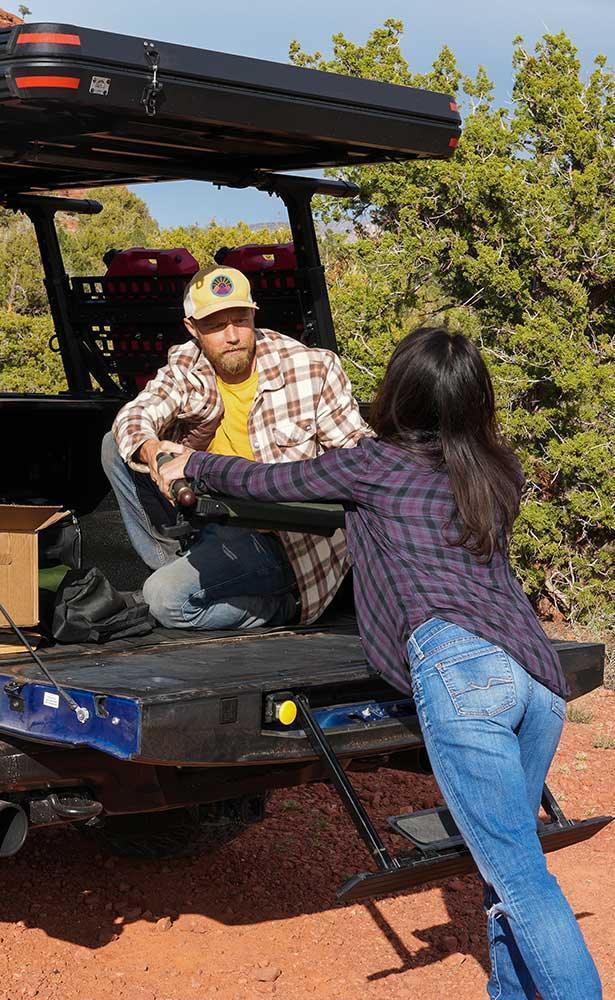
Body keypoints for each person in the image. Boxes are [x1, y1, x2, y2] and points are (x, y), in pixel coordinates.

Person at [157, 327, 601, 1000]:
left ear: (398, 392)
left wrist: (187, 463)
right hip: (537, 678)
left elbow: (270, 480)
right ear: (471, 400)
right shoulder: (496, 470)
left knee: (516, 876)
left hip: (461, 672)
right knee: (506, 863)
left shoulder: (373, 464)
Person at [101, 263, 370, 630]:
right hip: (209, 522)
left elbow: (361, 461)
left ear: (253, 314)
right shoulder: (186, 364)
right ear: (192, 329)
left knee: (165, 602)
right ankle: (175, 567)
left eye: (240, 320)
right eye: (215, 326)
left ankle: (288, 605)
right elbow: (133, 417)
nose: (232, 336)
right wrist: (153, 452)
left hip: (283, 538)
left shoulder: (313, 368)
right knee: (116, 446)